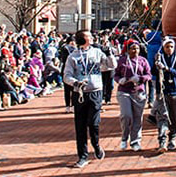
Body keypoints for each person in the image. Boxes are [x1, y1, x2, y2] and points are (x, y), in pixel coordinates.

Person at [63, 30, 107, 168]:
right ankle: (82, 156)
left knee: (93, 123)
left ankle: (96, 144)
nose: (92, 37)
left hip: (95, 92)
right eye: (89, 36)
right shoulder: (73, 57)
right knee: (80, 125)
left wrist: (109, 53)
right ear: (83, 39)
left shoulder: (97, 53)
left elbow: (111, 66)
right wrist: (75, 83)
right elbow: (66, 75)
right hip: (80, 94)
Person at [114, 40, 151, 151]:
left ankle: (135, 141)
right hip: (124, 91)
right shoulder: (122, 61)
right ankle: (124, 138)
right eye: (133, 48)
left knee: (137, 118)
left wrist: (141, 78)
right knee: (126, 115)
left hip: (138, 92)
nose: (136, 51)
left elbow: (149, 75)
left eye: (138, 48)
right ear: (128, 50)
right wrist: (119, 80)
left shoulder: (143, 61)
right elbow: (115, 74)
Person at [153, 37, 176, 151]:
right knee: (162, 115)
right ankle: (162, 140)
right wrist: (156, 65)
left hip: (174, 90)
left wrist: (167, 68)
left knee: (174, 116)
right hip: (162, 90)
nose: (169, 49)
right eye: (167, 47)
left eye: (171, 47)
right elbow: (153, 72)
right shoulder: (160, 57)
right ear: (163, 47)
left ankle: (173, 137)